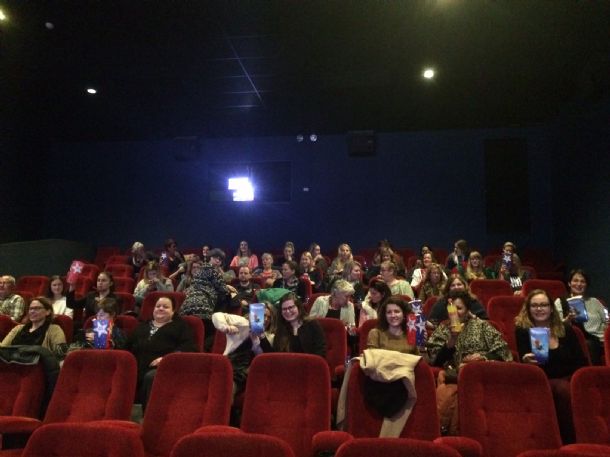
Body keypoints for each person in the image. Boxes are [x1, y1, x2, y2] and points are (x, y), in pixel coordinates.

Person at [427, 290, 512, 435]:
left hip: (483, 374)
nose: (455, 312)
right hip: (457, 375)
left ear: (467, 310)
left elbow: (503, 351)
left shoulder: (482, 326)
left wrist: (481, 357)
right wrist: (452, 340)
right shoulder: (442, 329)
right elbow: (435, 360)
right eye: (451, 309)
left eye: (459, 308)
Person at [515, 289, 587, 443]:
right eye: (534, 305)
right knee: (562, 389)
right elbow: (523, 363)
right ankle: (571, 441)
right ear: (528, 309)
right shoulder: (522, 331)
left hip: (570, 378)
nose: (539, 309)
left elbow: (581, 361)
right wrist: (525, 360)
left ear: (551, 308)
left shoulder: (566, 329)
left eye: (543, 305)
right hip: (542, 380)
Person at [128, 296, 196, 411]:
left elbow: (188, 348)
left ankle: (148, 416)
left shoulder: (180, 327)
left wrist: (165, 359)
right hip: (137, 367)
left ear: (173, 311)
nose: (161, 308)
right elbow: (127, 347)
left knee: (151, 377)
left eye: (165, 307)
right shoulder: (142, 326)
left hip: (163, 369)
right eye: (158, 306)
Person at [180, 250, 235, 351]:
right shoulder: (212, 271)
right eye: (216, 258)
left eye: (220, 260)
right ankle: (202, 354)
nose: (218, 261)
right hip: (202, 308)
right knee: (214, 332)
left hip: (186, 307)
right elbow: (223, 290)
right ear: (210, 258)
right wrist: (228, 288)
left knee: (191, 335)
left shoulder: (199, 270)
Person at [554, 269, 608, 365]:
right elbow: (556, 326)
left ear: (586, 285)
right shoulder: (561, 302)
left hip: (602, 339)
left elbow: (606, 319)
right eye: (575, 281)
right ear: (569, 283)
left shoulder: (595, 301)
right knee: (589, 344)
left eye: (582, 281)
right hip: (580, 340)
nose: (579, 284)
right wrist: (568, 320)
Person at [254, 292, 326, 357]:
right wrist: (262, 336)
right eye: (284, 309)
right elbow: (274, 356)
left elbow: (320, 352)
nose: (288, 311)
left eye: (291, 307)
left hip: (309, 365)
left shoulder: (312, 324)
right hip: (287, 366)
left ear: (299, 307)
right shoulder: (281, 328)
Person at [1, 297, 66, 353]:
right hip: (12, 361)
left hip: (36, 363)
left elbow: (60, 353)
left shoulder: (54, 329)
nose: (32, 311)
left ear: (48, 312)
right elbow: (3, 347)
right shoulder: (18, 328)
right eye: (30, 309)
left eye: (37, 308)